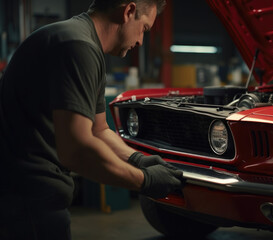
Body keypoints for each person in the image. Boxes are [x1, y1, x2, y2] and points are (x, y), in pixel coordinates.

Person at [0, 0, 184, 239]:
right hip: (26, 204)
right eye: (144, 29)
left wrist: (137, 159)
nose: (140, 41)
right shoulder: (78, 46)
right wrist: (145, 180)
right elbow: (76, 149)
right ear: (128, 11)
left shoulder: (81, 41)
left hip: (26, 198)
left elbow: (99, 130)